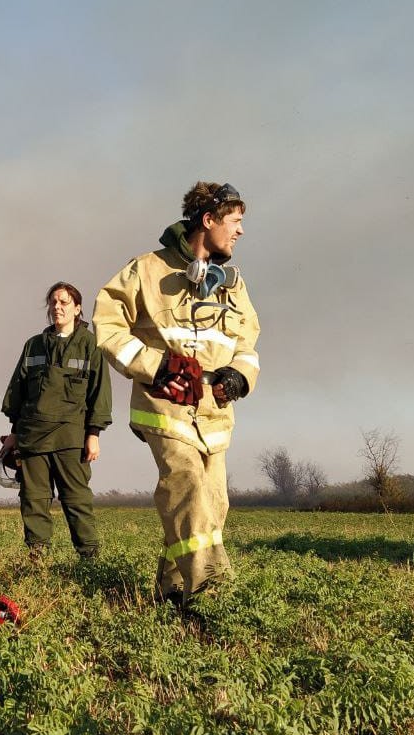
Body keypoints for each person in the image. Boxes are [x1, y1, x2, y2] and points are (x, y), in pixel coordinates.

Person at [92, 181, 260, 607]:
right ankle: (211, 589)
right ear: (209, 220)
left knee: (213, 503)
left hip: (214, 414)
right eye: (236, 222)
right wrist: (158, 365)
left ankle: (170, 588)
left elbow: (248, 344)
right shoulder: (146, 269)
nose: (240, 232)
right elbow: (108, 325)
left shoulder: (232, 284)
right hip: (164, 404)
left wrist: (239, 376)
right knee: (185, 483)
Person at [0, 283, 111, 561]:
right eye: (53, 302)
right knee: (34, 500)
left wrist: (93, 434)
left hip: (71, 438)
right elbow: (18, 391)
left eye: (64, 301)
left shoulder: (91, 345)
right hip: (32, 437)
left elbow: (100, 393)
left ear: (77, 308)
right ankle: (37, 559)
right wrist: (14, 433)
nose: (57, 307)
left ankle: (90, 559)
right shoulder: (33, 345)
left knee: (76, 499)